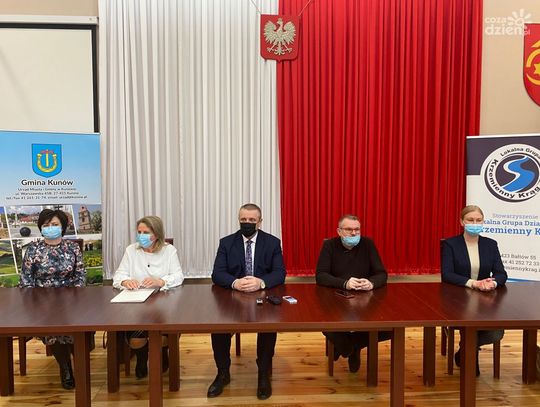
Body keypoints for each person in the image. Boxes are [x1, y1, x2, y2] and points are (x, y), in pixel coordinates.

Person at [208, 203, 286, 400]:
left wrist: (261, 282)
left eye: (252, 220)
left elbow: (280, 273)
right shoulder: (227, 243)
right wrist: (235, 283)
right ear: (239, 220)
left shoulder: (272, 242)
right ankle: (223, 372)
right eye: (243, 220)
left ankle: (263, 373)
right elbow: (217, 273)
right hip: (233, 296)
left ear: (260, 222)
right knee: (218, 326)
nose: (247, 223)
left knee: (268, 325)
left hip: (262, 295)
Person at [19, 209, 86, 390]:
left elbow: (80, 276)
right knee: (54, 328)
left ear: (62, 227)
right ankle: (66, 368)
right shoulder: (33, 249)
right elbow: (26, 280)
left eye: (55, 224)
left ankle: (79, 363)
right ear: (41, 228)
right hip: (43, 302)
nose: (50, 228)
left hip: (70, 299)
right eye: (46, 225)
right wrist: (36, 303)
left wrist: (74, 297)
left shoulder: (72, 248)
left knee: (75, 323)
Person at [315, 214, 391, 373]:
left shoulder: (368, 244)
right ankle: (351, 348)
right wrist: (344, 283)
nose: (354, 233)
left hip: (365, 299)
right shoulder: (330, 245)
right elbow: (321, 275)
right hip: (336, 298)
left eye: (357, 229)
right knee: (324, 324)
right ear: (339, 231)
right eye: (349, 229)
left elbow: (382, 274)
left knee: (390, 328)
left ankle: (349, 346)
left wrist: (371, 283)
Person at [113, 215, 184, 378]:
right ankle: (141, 358)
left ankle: (163, 353)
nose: (141, 236)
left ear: (157, 234)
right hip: (136, 305)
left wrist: (161, 281)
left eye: (146, 232)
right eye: (139, 232)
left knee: (163, 336)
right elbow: (118, 276)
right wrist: (125, 281)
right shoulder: (131, 250)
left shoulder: (168, 250)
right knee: (136, 339)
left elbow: (178, 276)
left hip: (163, 304)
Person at [441, 205, 507, 376]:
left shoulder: (490, 244)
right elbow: (447, 274)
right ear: (462, 222)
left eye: (478, 220)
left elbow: (501, 273)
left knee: (496, 333)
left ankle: (464, 350)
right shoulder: (450, 244)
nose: (475, 223)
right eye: (470, 220)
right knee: (470, 324)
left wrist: (492, 283)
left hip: (485, 298)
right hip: (457, 298)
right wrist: (473, 283)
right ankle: (470, 358)